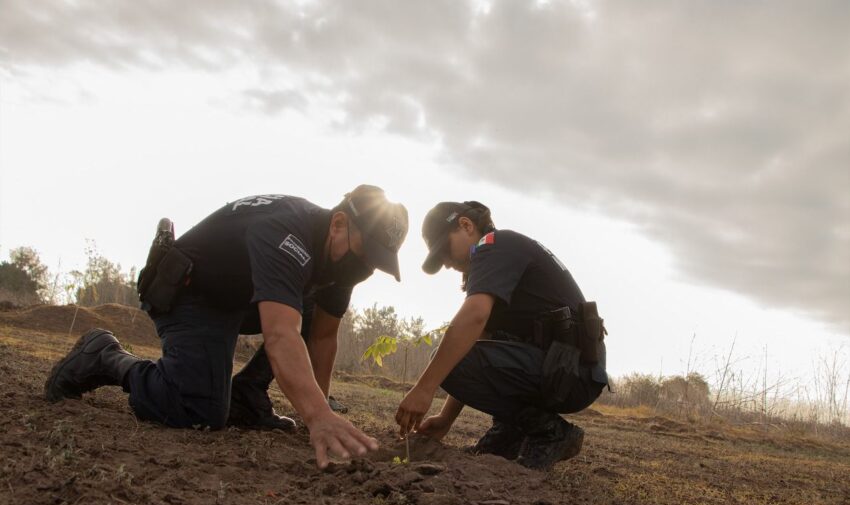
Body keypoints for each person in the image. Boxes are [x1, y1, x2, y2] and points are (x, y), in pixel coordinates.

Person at [45, 186, 408, 469]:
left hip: (236, 298)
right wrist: (318, 417)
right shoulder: (288, 235)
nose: (366, 267)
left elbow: (324, 335)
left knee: (309, 307)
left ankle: (248, 398)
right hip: (189, 293)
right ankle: (106, 357)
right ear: (339, 222)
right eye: (365, 252)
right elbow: (282, 334)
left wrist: (319, 414)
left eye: (376, 260)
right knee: (197, 410)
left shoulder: (341, 260)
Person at [395, 201, 608, 470]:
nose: (447, 264)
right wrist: (445, 419)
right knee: (456, 357)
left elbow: (474, 317)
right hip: (566, 369)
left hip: (569, 370)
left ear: (465, 225)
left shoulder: (492, 245)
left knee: (445, 359)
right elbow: (478, 343)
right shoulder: (497, 259)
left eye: (445, 250)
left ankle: (550, 432)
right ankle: (510, 432)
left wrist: (423, 390)